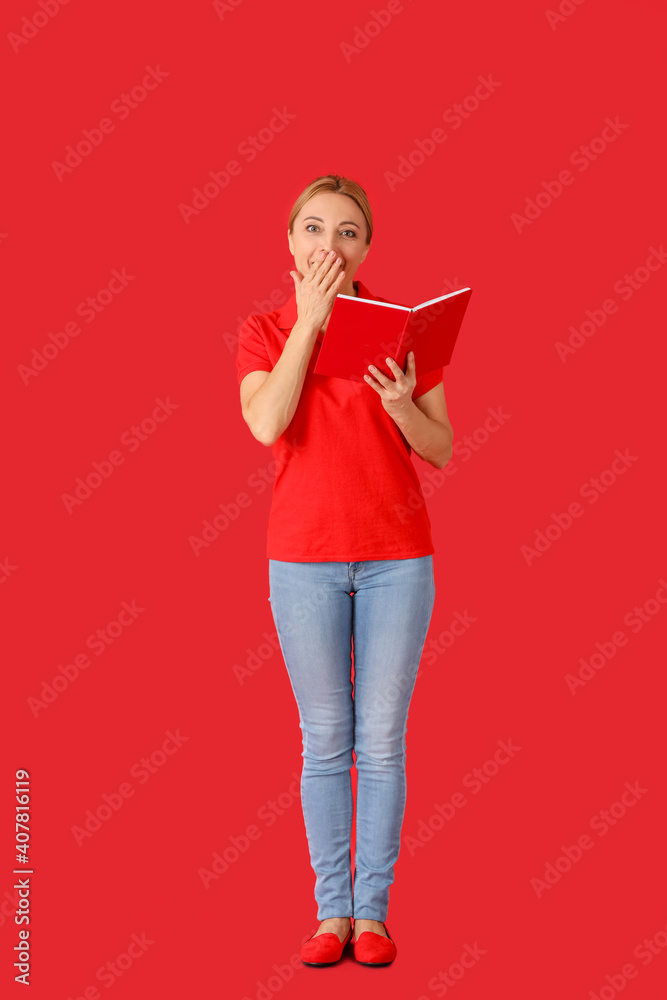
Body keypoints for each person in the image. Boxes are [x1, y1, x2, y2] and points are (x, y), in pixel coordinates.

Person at [236, 174, 453, 967]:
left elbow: (442, 447)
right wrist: (312, 326)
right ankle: (330, 915)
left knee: (383, 742)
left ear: (367, 247)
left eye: (349, 232)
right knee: (325, 739)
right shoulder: (263, 330)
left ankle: (373, 916)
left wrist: (401, 407)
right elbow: (267, 421)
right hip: (303, 561)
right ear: (290, 241)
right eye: (316, 229)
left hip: (398, 561)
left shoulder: (404, 328)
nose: (332, 244)